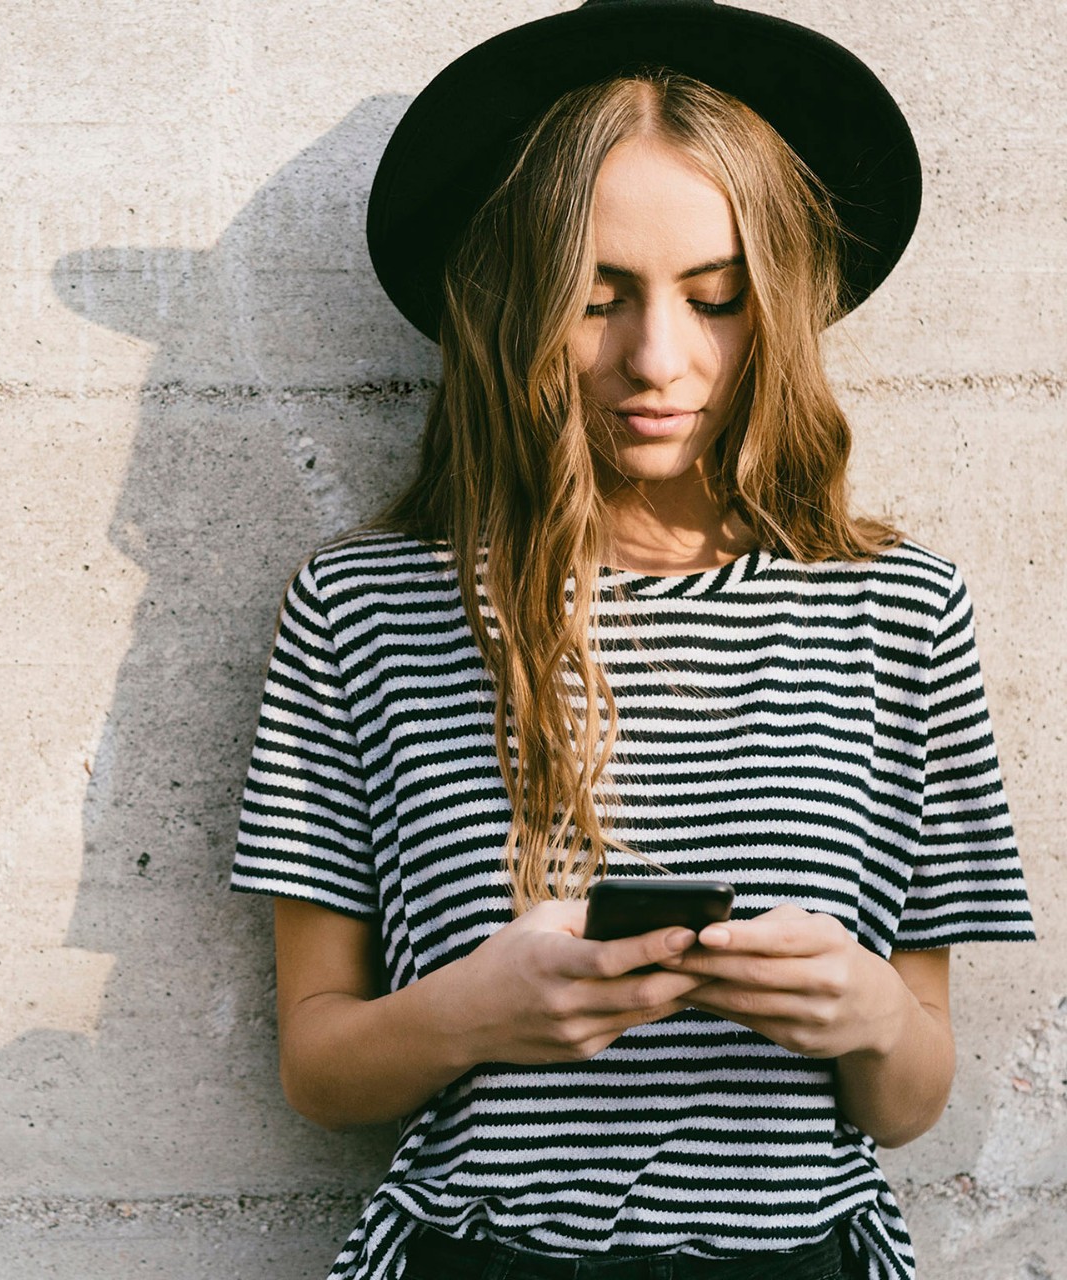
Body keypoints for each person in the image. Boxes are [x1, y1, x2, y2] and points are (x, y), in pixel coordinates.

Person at [230, 2, 1035, 1278]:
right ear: (507, 303)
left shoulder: (899, 610)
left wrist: (869, 1009)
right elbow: (322, 1068)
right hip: (481, 1253)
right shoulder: (361, 610)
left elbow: (909, 1096)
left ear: (774, 303)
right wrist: (469, 1011)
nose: (657, 358)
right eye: (595, 298)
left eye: (713, 299)